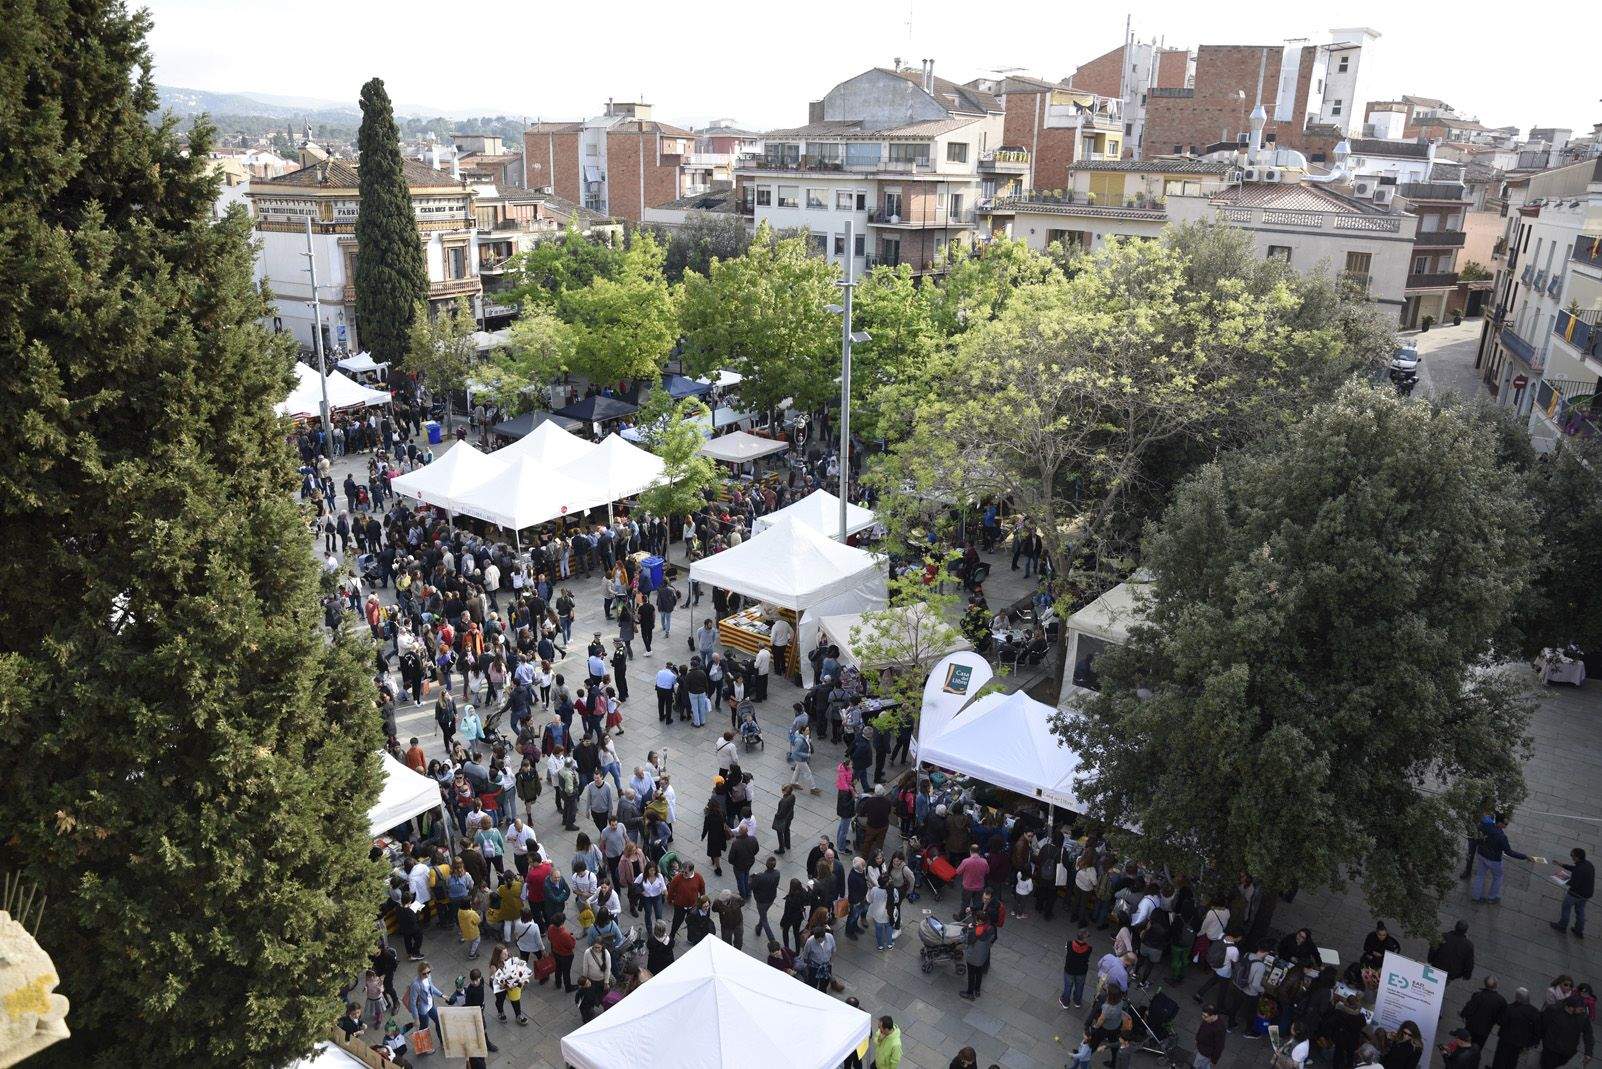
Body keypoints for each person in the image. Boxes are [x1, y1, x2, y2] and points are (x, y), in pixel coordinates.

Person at [1472, 814, 1531, 904]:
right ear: (1499, 823)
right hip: (1493, 860)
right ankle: (1492, 897)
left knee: (1480, 875)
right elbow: (1509, 852)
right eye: (1505, 824)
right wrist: (1525, 856)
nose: (1506, 825)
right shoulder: (1501, 837)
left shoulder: (1485, 825)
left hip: (1481, 854)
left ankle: (1476, 897)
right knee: (1498, 877)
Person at [1538, 995, 1595, 1069]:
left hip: (1568, 1051)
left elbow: (1588, 1034)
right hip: (1551, 1049)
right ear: (1571, 1008)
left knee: (1558, 1063)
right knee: (1547, 1065)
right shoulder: (1554, 1010)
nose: (1583, 1011)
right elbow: (1542, 1024)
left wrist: (1588, 1052)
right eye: (1580, 1009)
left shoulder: (1582, 1017)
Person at [1492, 988, 1543, 1069]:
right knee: (1512, 1061)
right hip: (1520, 1043)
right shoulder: (1535, 1012)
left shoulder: (1510, 1008)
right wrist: (1532, 1042)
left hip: (1505, 1039)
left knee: (1500, 1060)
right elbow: (1537, 1029)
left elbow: (1501, 1021)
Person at [1551, 847, 1594, 938]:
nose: (1571, 857)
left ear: (1577, 857)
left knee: (1566, 908)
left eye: (1572, 855)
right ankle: (1579, 930)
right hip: (1587, 894)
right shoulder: (1587, 864)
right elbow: (1574, 868)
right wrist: (1561, 864)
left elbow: (1574, 884)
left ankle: (1562, 926)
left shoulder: (1579, 869)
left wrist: (1560, 878)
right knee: (1580, 911)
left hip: (1575, 894)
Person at [405, 962, 445, 1046]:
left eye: (429, 972)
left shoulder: (428, 977)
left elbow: (432, 987)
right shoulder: (416, 985)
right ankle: (423, 1047)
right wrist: (416, 1019)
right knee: (424, 1028)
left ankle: (442, 1041)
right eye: (424, 973)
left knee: (438, 1021)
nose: (427, 975)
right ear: (419, 973)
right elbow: (412, 1003)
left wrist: (442, 995)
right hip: (423, 1010)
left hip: (430, 1006)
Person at [1462, 978, 1509, 1050]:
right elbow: (1500, 1019)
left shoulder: (1478, 995)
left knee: (1463, 1046)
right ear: (1496, 986)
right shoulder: (1501, 1001)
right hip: (1484, 1030)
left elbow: (1468, 1010)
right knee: (1476, 1050)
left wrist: (1463, 1015)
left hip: (1470, 1027)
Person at [1429, 921, 1476, 985]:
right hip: (1451, 973)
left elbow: (1433, 949)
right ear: (1465, 931)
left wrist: (1430, 960)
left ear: (1455, 927)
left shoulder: (1444, 936)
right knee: (1442, 985)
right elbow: (1469, 963)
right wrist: (1467, 975)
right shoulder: (1468, 945)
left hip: (1437, 966)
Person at [961, 918, 996, 1000]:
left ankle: (970, 993)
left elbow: (965, 940)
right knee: (979, 973)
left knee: (971, 975)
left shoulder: (974, 931)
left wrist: (969, 929)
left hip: (972, 957)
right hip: (982, 957)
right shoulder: (990, 929)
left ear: (979, 921)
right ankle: (977, 990)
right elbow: (991, 941)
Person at [752, 856, 782, 943]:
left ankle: (772, 941)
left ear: (766, 864)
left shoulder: (760, 876)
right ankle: (758, 927)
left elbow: (751, 886)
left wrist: (753, 877)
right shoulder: (777, 873)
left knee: (764, 919)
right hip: (771, 899)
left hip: (761, 900)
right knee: (763, 914)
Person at [1061, 928, 1093, 1009]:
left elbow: (1067, 950)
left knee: (1068, 986)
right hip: (1081, 971)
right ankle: (1077, 1002)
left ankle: (1065, 1002)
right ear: (1084, 939)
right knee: (1079, 987)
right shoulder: (1089, 948)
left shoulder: (1069, 944)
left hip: (1069, 970)